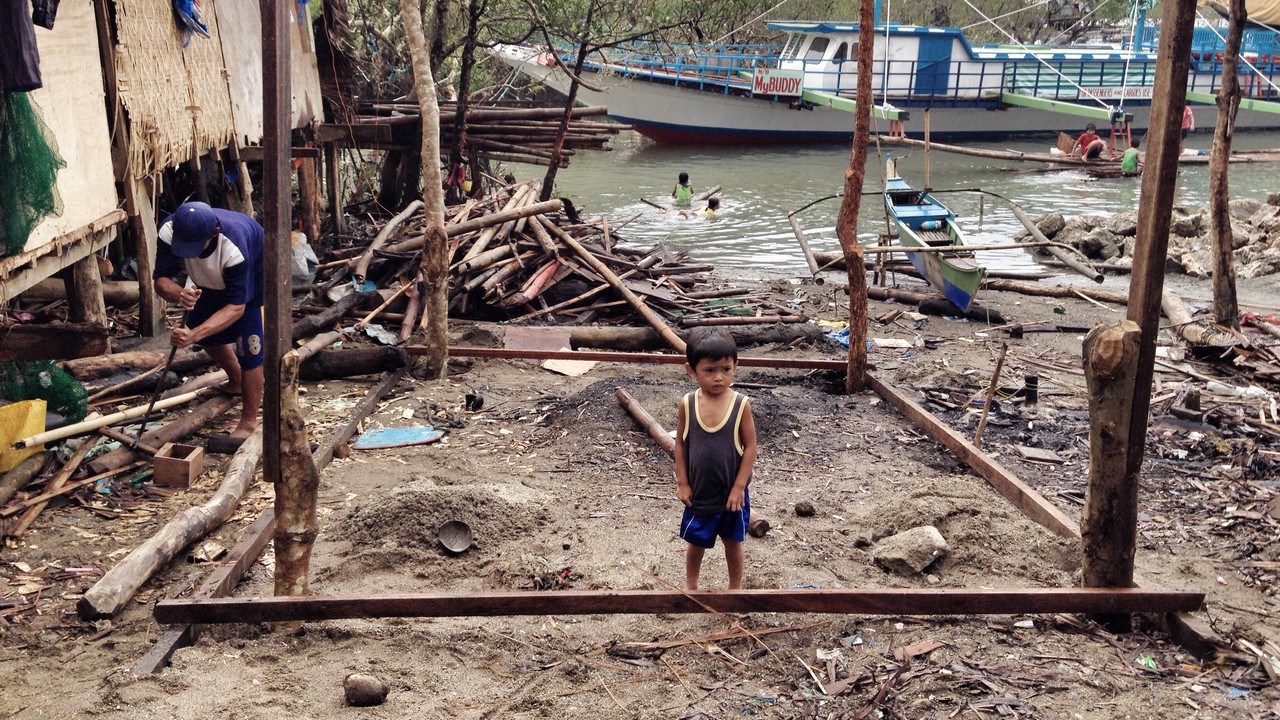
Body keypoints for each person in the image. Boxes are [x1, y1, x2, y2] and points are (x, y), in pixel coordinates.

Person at [153, 201, 265, 443]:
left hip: (251, 275)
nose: (188, 253)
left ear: (213, 233)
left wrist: (193, 336)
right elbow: (160, 279)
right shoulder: (169, 230)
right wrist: (177, 293)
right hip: (205, 282)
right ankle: (235, 381)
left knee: (250, 346)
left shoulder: (235, 247)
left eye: (193, 247)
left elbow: (236, 307)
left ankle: (248, 421)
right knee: (209, 335)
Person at [674, 327, 758, 590]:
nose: (719, 378)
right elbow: (680, 445)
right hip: (700, 492)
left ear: (735, 366)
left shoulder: (740, 405)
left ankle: (735, 588)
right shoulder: (687, 404)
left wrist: (739, 487)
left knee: (733, 543)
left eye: (726, 369)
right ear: (691, 370)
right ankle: (691, 586)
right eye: (709, 370)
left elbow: (751, 446)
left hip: (731, 496)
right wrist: (683, 483)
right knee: (696, 542)